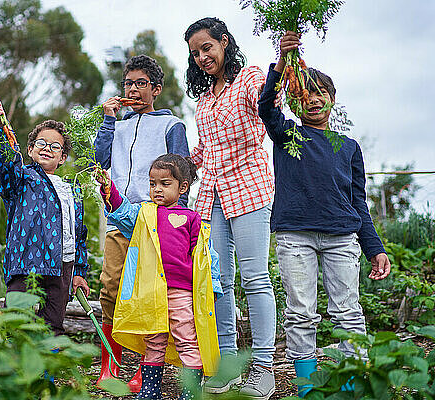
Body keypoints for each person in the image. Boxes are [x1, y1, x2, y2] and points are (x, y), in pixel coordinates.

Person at [258, 32, 391, 397]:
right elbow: (266, 107)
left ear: (332, 100)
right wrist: (283, 63)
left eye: (321, 93)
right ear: (296, 104)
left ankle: (353, 385)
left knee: (347, 312)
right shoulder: (288, 135)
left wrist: (374, 246)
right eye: (305, 95)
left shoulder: (347, 147)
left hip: (341, 238)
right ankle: (307, 388)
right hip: (295, 236)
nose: (313, 100)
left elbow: (358, 202)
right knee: (301, 313)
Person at [184, 17, 277, 399]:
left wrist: (284, 66)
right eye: (195, 53)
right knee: (218, 283)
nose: (203, 57)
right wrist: (171, 171)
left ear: (224, 43)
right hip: (212, 196)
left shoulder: (250, 77)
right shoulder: (203, 100)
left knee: (255, 277)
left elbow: (270, 101)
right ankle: (227, 364)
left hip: (249, 188)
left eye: (207, 48)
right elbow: (203, 153)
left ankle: (265, 368)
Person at [94, 54, 190, 390]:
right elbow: (100, 160)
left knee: (151, 293)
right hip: (119, 217)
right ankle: (111, 360)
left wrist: (177, 222)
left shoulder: (171, 125)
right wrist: (108, 120)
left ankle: (146, 367)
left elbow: (182, 172)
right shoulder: (116, 126)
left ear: (156, 89)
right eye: (128, 84)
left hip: (155, 221)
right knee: (110, 287)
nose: (133, 89)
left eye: (141, 84)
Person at [95, 154, 222, 400]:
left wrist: (212, 288)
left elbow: (206, 257)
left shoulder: (192, 219)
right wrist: (109, 190)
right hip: (152, 292)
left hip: (182, 293)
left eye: (165, 183)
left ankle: (191, 392)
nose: (157, 189)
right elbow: (122, 212)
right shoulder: (145, 214)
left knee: (187, 340)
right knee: (154, 340)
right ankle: (149, 390)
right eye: (153, 184)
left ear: (182, 187)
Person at [0, 101, 91, 336]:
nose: (47, 148)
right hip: (27, 261)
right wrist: (1, 127)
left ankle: (47, 371)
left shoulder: (72, 190)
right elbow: (6, 162)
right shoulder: (21, 179)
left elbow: (79, 234)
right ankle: (17, 369)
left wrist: (79, 271)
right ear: (30, 150)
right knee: (17, 319)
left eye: (55, 146)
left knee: (53, 323)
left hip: (62, 266)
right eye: (41, 143)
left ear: (63, 157)